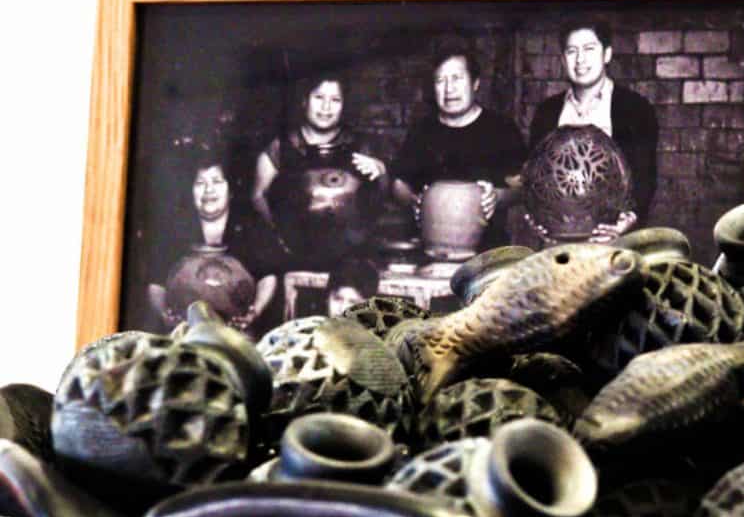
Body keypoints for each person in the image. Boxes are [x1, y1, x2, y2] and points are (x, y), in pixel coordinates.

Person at [525, 18, 659, 243]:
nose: (580, 60)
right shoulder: (547, 112)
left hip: (613, 240)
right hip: (557, 242)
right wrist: (534, 218)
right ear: (562, 59)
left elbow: (646, 177)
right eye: (572, 51)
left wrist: (629, 220)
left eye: (589, 49)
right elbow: (533, 174)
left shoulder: (635, 108)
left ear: (606, 54)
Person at [390, 46, 527, 249]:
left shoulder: (501, 129)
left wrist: (498, 196)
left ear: (475, 83)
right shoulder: (422, 131)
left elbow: (524, 186)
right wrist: (413, 200)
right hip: (430, 249)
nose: (449, 89)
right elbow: (399, 182)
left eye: (456, 78)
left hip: (488, 251)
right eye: (441, 80)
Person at [252, 74, 389, 269]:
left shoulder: (359, 146)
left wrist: (380, 172)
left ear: (343, 106)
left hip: (349, 259)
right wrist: (279, 236)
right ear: (304, 100)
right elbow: (258, 196)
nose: (326, 107)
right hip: (292, 256)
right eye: (319, 97)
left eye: (335, 100)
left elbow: (380, 197)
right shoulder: (280, 147)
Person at [148, 143, 277, 333]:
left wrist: (254, 312)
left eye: (217, 181)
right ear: (190, 191)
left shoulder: (249, 225)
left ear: (230, 189)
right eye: (200, 183)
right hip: (185, 333)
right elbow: (155, 283)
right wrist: (165, 314)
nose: (209, 190)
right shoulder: (176, 227)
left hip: (237, 332)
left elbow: (268, 276)